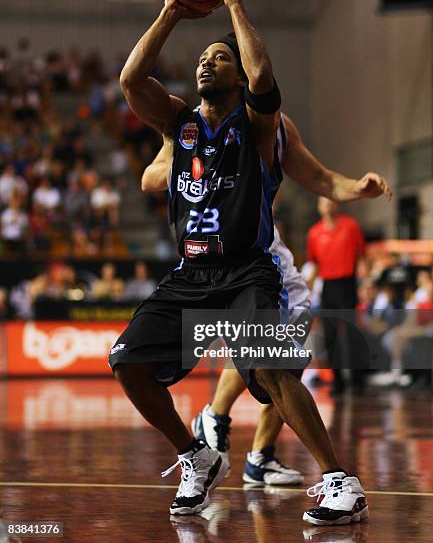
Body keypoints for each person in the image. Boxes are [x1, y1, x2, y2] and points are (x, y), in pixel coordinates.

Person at [109, 0, 389, 524]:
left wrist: (234, 1)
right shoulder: (179, 123)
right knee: (126, 362)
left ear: (238, 77)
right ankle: (197, 456)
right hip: (191, 275)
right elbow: (132, 79)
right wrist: (169, 11)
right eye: (205, 59)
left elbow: (264, 80)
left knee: (268, 367)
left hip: (247, 269)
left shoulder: (261, 126)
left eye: (221, 59)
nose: (208, 64)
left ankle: (341, 482)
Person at [142, 111, 393, 496]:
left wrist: (357, 188)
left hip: (260, 244)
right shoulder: (189, 124)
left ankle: (255, 451)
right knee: (272, 349)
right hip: (221, 249)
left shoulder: (276, 123)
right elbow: (150, 178)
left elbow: (321, 177)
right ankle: (218, 418)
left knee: (284, 346)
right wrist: (204, 168)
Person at [307, 198, 367, 395]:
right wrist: (306, 287)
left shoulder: (350, 226)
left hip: (348, 284)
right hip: (328, 287)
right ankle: (338, 381)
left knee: (351, 334)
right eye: (323, 202)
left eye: (330, 201)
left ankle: (358, 381)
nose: (327, 205)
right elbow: (314, 264)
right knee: (329, 337)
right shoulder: (314, 233)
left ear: (336, 204)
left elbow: (361, 256)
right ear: (319, 206)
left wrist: (363, 282)